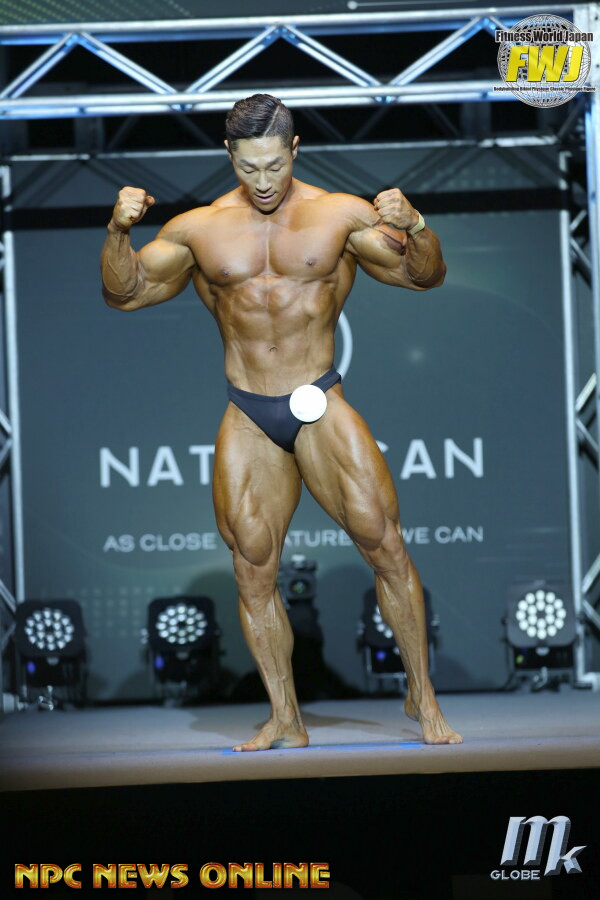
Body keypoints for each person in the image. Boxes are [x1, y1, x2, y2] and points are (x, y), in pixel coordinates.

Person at [101, 93, 462, 748]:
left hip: (317, 397)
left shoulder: (339, 215)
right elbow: (124, 294)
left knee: (385, 544)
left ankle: (424, 697)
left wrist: (415, 225)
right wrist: (118, 233)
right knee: (252, 567)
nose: (263, 181)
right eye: (249, 167)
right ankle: (286, 717)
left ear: (294, 150)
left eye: (274, 165)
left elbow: (425, 277)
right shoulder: (198, 229)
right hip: (248, 407)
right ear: (229, 155)